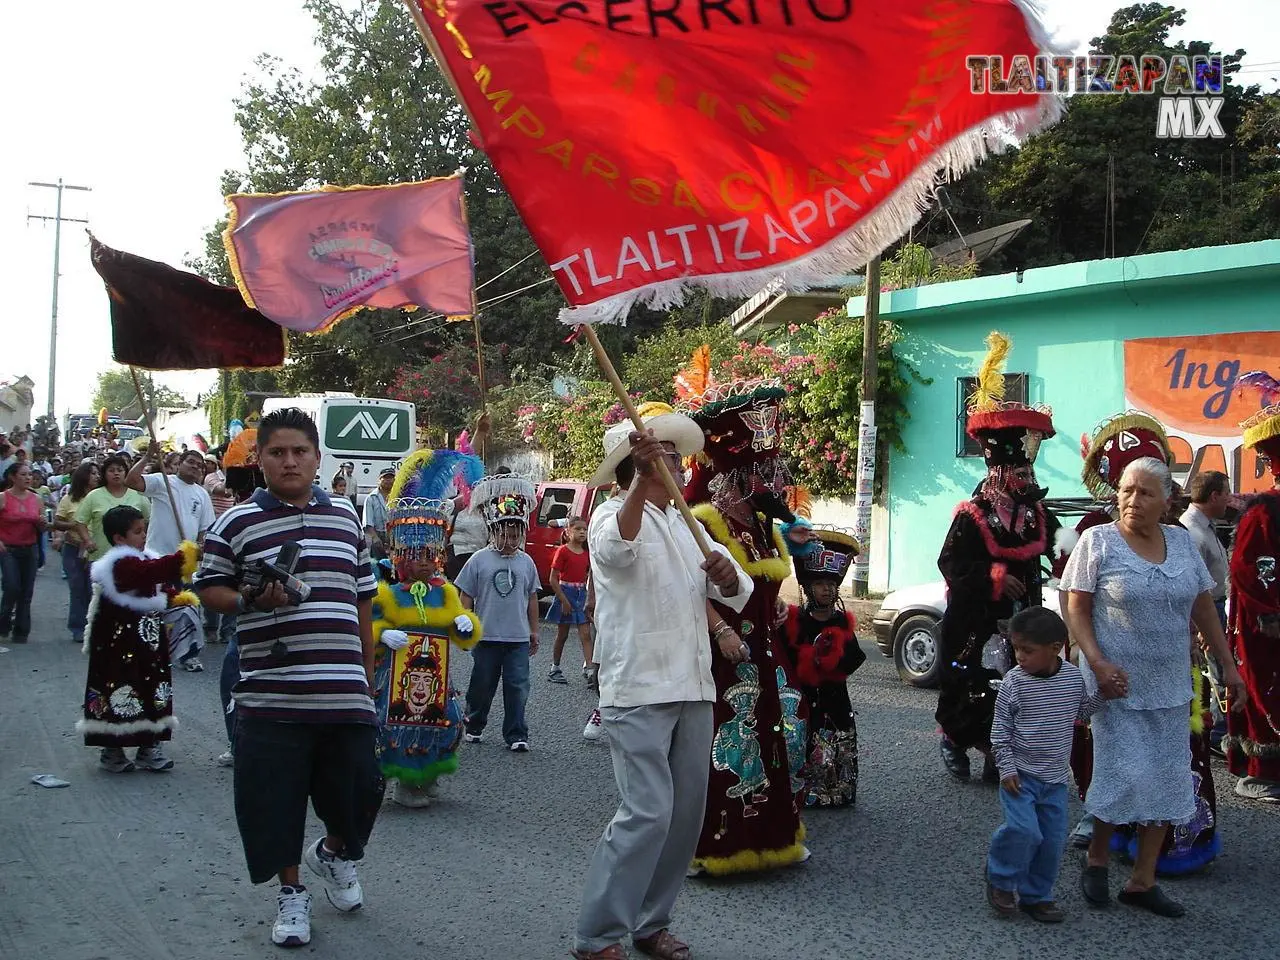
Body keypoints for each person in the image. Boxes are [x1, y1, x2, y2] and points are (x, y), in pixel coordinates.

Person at [194, 408, 384, 949]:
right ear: (260, 460)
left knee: (362, 790)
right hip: (269, 693)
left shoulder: (347, 518)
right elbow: (209, 589)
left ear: (318, 458)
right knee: (273, 802)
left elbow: (363, 602)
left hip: (344, 690)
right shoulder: (234, 524)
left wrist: (367, 678)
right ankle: (292, 894)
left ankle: (332, 853)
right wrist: (249, 597)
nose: (290, 461)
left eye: (300, 451)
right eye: (277, 452)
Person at [572, 406, 752, 960]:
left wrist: (727, 574)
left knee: (684, 816)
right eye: (661, 455)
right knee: (647, 812)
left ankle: (652, 924)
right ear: (635, 466)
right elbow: (612, 552)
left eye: (675, 455)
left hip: (694, 686)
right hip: (636, 686)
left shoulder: (689, 523)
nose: (674, 462)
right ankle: (597, 935)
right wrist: (639, 489)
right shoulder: (609, 514)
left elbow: (738, 587)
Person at [1061, 457, 1246, 918]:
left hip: (1171, 684)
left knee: (1166, 778)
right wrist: (1097, 662)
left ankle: (1142, 881)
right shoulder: (1097, 541)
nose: (1132, 500)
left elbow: (1204, 608)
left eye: (1145, 493)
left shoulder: (1182, 543)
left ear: (1167, 501)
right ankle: (1098, 857)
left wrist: (1229, 665)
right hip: (1115, 684)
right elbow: (1075, 608)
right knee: (1118, 773)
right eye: (1126, 490)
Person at [936, 332, 1061, 782]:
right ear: (1002, 472)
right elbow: (949, 564)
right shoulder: (973, 514)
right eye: (1021, 471)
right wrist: (993, 577)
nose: (1028, 477)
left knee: (1016, 685)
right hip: (974, 620)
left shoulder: (1035, 513)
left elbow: (1058, 548)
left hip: (1021, 619)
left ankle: (998, 752)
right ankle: (954, 739)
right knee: (969, 682)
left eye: (1030, 470)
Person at [370, 448, 483, 807]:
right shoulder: (387, 593)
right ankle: (404, 782)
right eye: (415, 556)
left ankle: (428, 775)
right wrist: (382, 634)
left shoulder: (445, 592)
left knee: (446, 720)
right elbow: (369, 628)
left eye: (428, 556)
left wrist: (465, 624)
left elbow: (461, 635)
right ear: (402, 556)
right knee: (398, 724)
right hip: (396, 674)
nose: (423, 563)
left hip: (436, 673)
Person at [986, 607, 1111, 922]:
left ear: (1056, 648)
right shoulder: (1014, 683)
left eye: (1027, 650)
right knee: (1024, 831)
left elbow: (1081, 712)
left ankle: (1037, 895)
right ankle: (1000, 877)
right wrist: (1007, 768)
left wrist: (1105, 695)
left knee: (1052, 842)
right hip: (1020, 777)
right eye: (1016, 649)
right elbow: (1000, 732)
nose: (1019, 657)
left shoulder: (1071, 678)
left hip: (1055, 780)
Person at [77, 505, 199, 773]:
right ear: (119, 538)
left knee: (153, 689)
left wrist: (173, 596)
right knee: (119, 690)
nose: (144, 535)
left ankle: (149, 747)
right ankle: (112, 750)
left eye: (144, 530)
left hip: (149, 645)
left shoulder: (143, 558)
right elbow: (150, 573)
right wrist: (182, 558)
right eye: (137, 531)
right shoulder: (120, 563)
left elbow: (156, 584)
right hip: (116, 647)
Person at [455, 474, 541, 752]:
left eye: (515, 535)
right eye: (505, 534)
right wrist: (465, 622)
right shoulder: (479, 559)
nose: (510, 539)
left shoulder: (526, 562)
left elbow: (531, 597)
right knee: (482, 684)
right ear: (493, 532)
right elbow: (466, 593)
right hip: (487, 635)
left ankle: (516, 734)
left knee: (518, 687)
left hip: (517, 638)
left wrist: (534, 630)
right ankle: (475, 723)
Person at [780, 527, 865, 808]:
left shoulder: (843, 623)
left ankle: (837, 789)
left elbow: (853, 660)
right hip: (805, 698)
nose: (827, 590)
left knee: (837, 736)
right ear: (807, 587)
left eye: (831, 584)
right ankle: (804, 789)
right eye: (819, 584)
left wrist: (831, 657)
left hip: (836, 696)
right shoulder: (795, 621)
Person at [1225, 394, 1280, 802]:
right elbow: (1249, 571)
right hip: (1267, 626)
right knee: (1266, 691)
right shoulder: (1262, 513)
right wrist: (1271, 612)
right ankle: (1264, 770)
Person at [126, 446, 215, 672]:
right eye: (191, 462)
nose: (195, 467)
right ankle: (149, 652)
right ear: (179, 464)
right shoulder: (162, 482)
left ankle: (189, 655)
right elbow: (132, 481)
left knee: (188, 609)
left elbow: (205, 529)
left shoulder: (201, 494)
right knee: (153, 608)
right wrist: (147, 456)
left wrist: (201, 547)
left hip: (184, 563)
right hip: (157, 558)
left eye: (200, 466)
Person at [1181, 471, 1231, 748]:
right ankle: (1218, 734)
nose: (1229, 499)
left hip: (1215, 606)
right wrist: (1199, 626)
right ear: (1213, 496)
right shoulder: (1191, 532)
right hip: (1206, 609)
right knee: (1215, 671)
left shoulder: (1205, 527)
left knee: (1219, 668)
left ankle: (1218, 730)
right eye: (1226, 493)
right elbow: (1191, 587)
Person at [0, 463, 49, 643]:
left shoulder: (36, 499)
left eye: (30, 475)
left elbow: (42, 526)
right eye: (23, 474)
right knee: (12, 586)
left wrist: (43, 523)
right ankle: (3, 620)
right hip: (8, 549)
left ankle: (21, 631)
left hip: (30, 548)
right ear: (13, 477)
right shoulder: (3, 498)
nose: (28, 478)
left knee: (26, 591)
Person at [53, 462, 101, 643]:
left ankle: (94, 626)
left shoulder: (100, 497)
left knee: (93, 589)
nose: (97, 476)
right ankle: (77, 628)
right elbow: (57, 522)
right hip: (73, 548)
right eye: (93, 473)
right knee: (77, 588)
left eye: (98, 473)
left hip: (95, 550)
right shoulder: (69, 499)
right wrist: (75, 525)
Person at [75, 454, 150, 563]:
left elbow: (149, 520)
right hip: (101, 557)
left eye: (120, 470)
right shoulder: (94, 495)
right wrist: (87, 540)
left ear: (126, 472)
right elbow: (80, 522)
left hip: (134, 557)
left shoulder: (138, 495)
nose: (116, 473)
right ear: (104, 474)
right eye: (111, 470)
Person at [547, 516, 593, 684]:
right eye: (578, 529)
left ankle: (589, 669)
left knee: (585, 634)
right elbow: (553, 578)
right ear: (567, 532)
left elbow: (588, 574)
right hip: (565, 592)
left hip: (581, 594)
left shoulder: (587, 553)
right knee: (563, 634)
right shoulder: (563, 551)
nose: (582, 532)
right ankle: (555, 667)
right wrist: (563, 600)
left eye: (585, 529)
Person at [362, 468, 395, 560]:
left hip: (395, 537)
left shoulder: (398, 497)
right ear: (379, 480)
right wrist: (375, 538)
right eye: (385, 478)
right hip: (378, 536)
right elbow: (368, 524)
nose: (388, 480)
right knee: (378, 566)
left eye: (391, 478)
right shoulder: (371, 498)